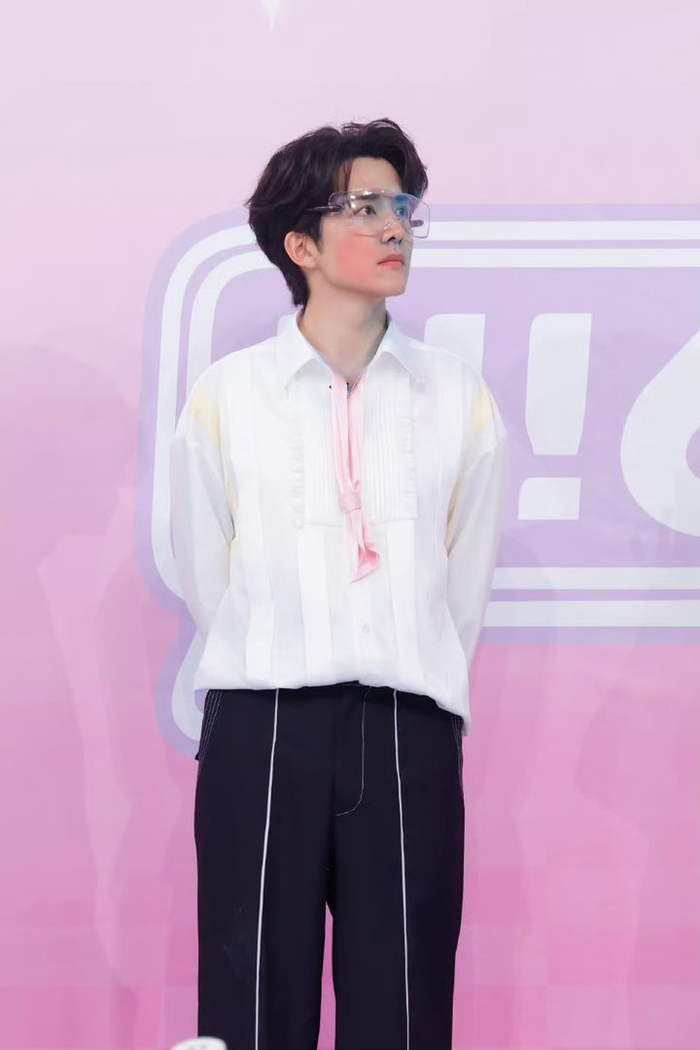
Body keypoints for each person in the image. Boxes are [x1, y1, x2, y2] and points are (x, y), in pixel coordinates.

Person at [169, 117, 509, 1050]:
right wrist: (282, 653)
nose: (395, 226)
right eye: (364, 207)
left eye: (403, 205)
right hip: (263, 725)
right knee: (249, 1009)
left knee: (403, 1009)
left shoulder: (457, 396)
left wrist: (413, 676)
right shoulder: (229, 395)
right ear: (301, 245)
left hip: (408, 729)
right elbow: (208, 574)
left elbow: (463, 582)